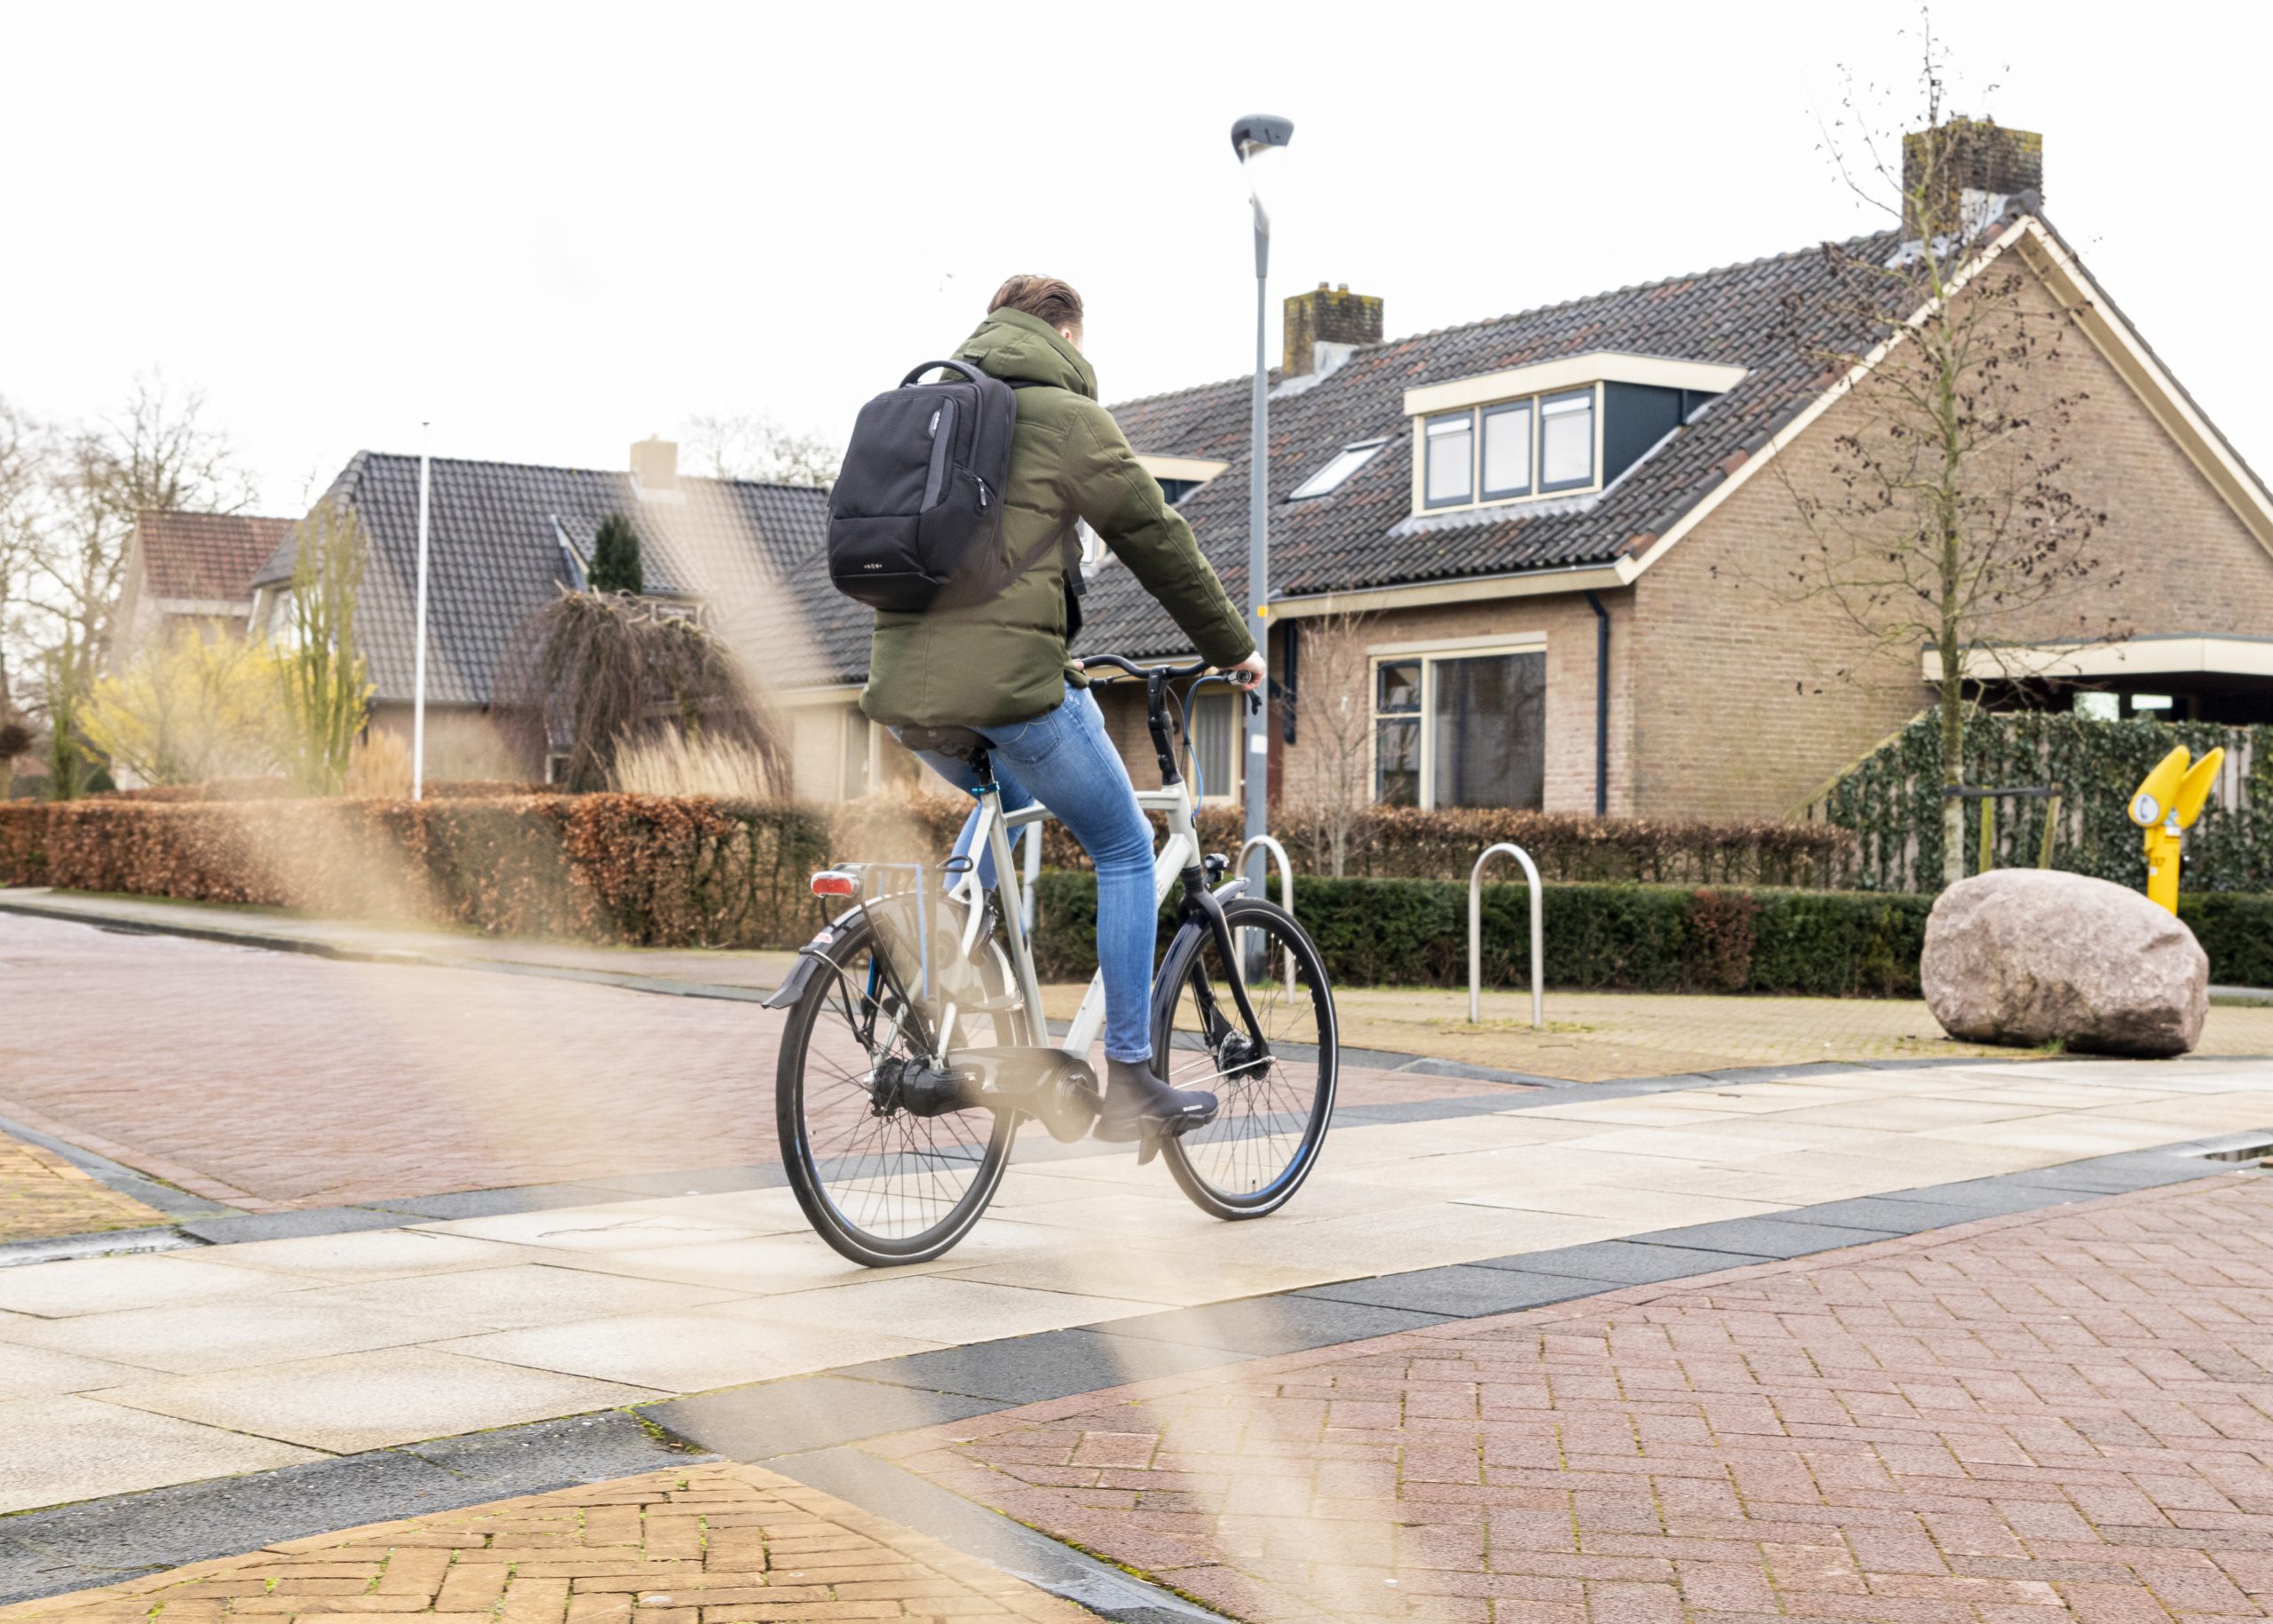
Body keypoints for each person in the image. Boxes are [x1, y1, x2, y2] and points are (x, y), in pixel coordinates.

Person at [860, 274, 1264, 1145]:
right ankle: (1129, 1081)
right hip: (1011, 684)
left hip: (902, 692)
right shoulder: (1069, 417)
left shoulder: (935, 411)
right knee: (1124, 844)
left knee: (997, 801)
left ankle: (960, 981)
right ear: (1067, 338)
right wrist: (1235, 648)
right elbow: (1159, 539)